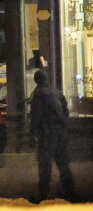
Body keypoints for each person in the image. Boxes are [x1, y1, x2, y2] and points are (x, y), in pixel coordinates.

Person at [30, 69, 76, 201]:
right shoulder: (57, 92)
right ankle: (70, 191)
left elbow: (35, 117)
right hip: (60, 132)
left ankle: (43, 194)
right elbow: (66, 112)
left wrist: (32, 135)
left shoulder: (38, 94)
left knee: (45, 162)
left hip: (47, 133)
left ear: (36, 80)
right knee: (63, 162)